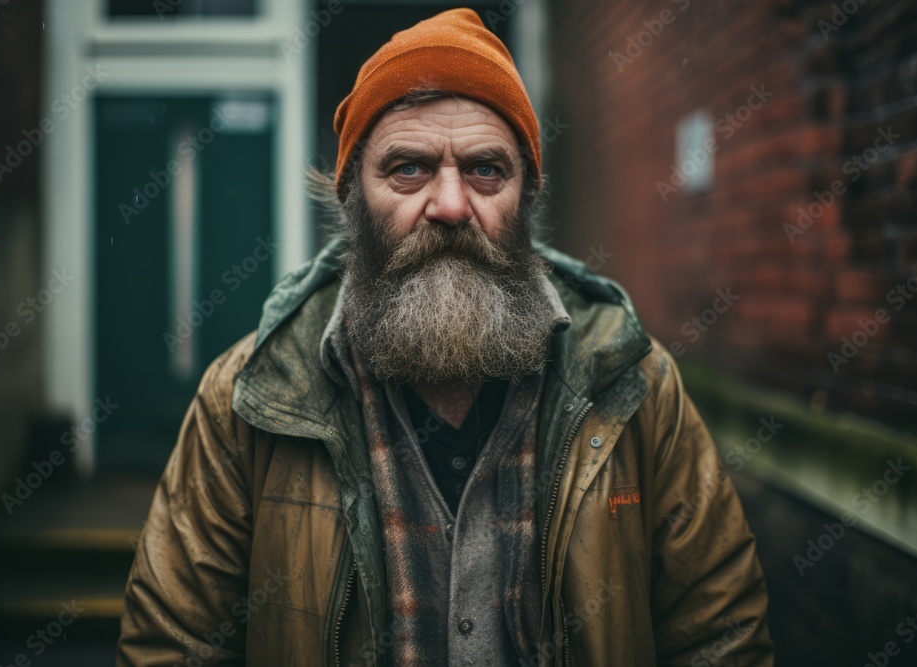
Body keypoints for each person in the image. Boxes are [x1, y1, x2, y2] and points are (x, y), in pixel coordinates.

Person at [117, 8, 773, 666]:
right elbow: (171, 646)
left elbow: (720, 636)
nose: (453, 205)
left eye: (487, 170)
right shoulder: (249, 399)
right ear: (352, 199)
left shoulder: (632, 383)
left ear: (526, 199)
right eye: (408, 169)